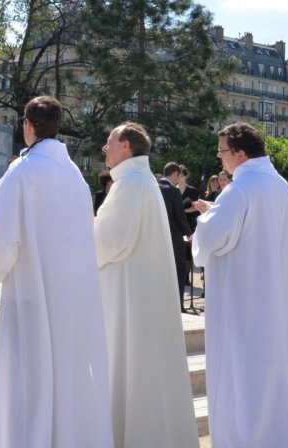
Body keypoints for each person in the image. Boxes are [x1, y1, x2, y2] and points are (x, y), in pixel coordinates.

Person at [0, 96, 113, 448]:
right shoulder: (76, 177)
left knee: (28, 374)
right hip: (70, 295)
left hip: (31, 291)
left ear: (28, 125)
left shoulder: (21, 171)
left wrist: (4, 266)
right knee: (64, 373)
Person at [191, 123, 288, 448]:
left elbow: (212, 238)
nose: (219, 157)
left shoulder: (240, 189)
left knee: (238, 383)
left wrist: (202, 223)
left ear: (240, 154)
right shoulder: (280, 185)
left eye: (222, 151)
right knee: (267, 383)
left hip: (241, 304)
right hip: (273, 301)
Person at [95, 124, 199, 448]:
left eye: (109, 142)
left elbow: (108, 241)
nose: (104, 148)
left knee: (132, 370)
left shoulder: (129, 185)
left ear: (125, 146)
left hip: (131, 298)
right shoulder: (143, 181)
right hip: (139, 294)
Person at [160, 161, 194, 307]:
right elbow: (180, 216)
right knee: (178, 271)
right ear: (175, 174)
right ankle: (177, 305)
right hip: (174, 238)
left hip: (156, 237)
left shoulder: (153, 188)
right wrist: (189, 234)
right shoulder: (173, 191)